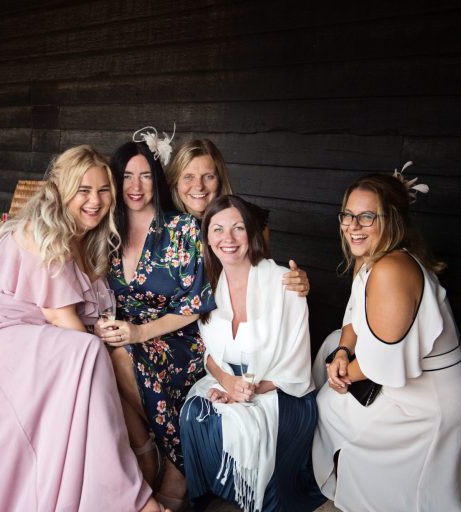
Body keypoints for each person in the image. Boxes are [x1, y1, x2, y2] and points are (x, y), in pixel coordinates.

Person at [0, 145, 168, 511]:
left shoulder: (88, 241)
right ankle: (135, 499)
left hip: (38, 341)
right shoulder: (41, 230)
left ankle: (116, 488)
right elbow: (61, 320)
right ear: (62, 190)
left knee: (96, 357)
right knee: (87, 355)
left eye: (103, 190)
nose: (95, 201)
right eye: (84, 190)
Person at [312, 167, 461, 512]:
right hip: (416, 382)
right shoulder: (370, 259)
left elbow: (380, 365)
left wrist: (340, 373)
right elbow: (351, 319)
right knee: (330, 350)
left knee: (327, 404)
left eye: (366, 216)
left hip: (432, 404)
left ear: (391, 220)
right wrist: (344, 351)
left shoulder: (392, 269)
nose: (353, 225)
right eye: (347, 215)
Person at [179, 195, 326, 512]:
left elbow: (296, 363)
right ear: (207, 237)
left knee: (241, 424)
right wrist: (228, 383)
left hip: (279, 390)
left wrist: (252, 388)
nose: (227, 239)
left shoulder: (283, 283)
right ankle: (218, 496)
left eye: (238, 228)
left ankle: (257, 498)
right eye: (217, 229)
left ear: (252, 233)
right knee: (196, 413)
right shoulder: (208, 284)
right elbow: (210, 356)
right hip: (228, 380)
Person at [97, 132, 216, 511]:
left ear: (157, 180)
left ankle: (172, 465)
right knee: (92, 356)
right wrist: (106, 327)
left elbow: (195, 305)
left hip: (178, 336)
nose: (136, 186)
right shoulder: (106, 233)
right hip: (127, 338)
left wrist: (138, 332)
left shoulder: (181, 230)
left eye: (145, 176)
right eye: (127, 177)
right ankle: (143, 457)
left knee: (118, 357)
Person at [165, 138, 310, 296]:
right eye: (188, 177)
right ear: (175, 180)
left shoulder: (251, 220)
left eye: (208, 176)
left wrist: (294, 282)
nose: (199, 185)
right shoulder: (162, 226)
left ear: (219, 180)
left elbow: (265, 280)